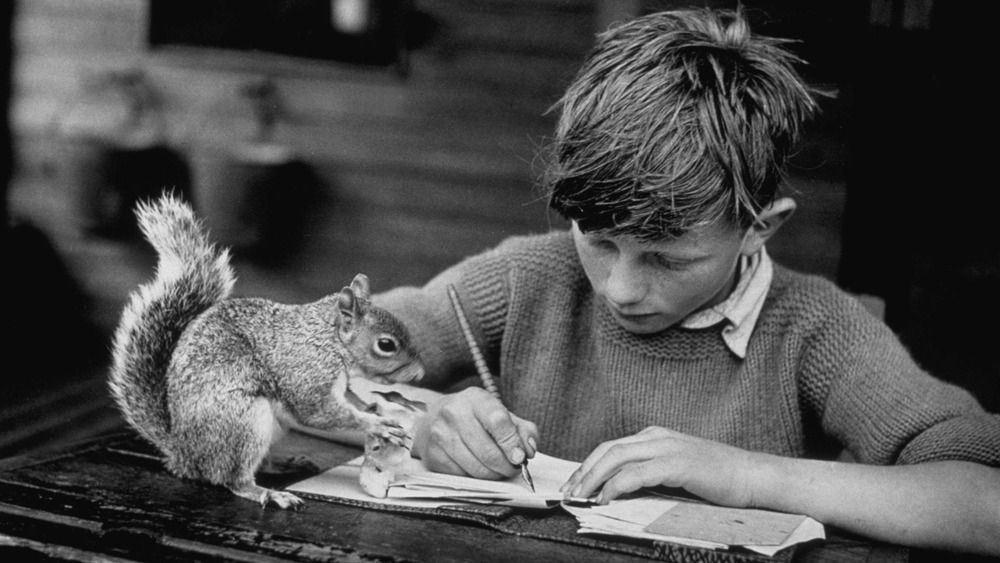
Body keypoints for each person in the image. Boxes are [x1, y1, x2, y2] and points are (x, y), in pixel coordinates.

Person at [372, 8, 1000, 555]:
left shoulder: (815, 331)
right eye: (598, 240)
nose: (618, 288)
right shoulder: (527, 279)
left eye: (667, 260)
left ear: (761, 228)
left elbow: (985, 505)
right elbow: (299, 355)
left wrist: (747, 476)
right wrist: (419, 424)